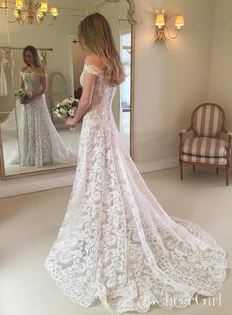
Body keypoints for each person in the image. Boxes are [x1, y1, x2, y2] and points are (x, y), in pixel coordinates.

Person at [44, 13, 227, 314]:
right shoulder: (113, 61)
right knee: (114, 175)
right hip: (109, 128)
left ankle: (98, 224)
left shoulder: (92, 59)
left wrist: (71, 119)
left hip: (93, 128)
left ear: (90, 33)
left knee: (96, 177)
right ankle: (106, 219)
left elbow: (87, 100)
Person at [17, 45, 75, 167]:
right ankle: (29, 153)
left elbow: (44, 89)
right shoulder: (22, 70)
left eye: (29, 56)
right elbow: (21, 87)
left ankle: (44, 153)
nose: (27, 58)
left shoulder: (41, 70)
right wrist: (22, 97)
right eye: (25, 56)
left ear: (34, 56)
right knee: (28, 126)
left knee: (41, 125)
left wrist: (31, 97)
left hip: (38, 102)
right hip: (26, 104)